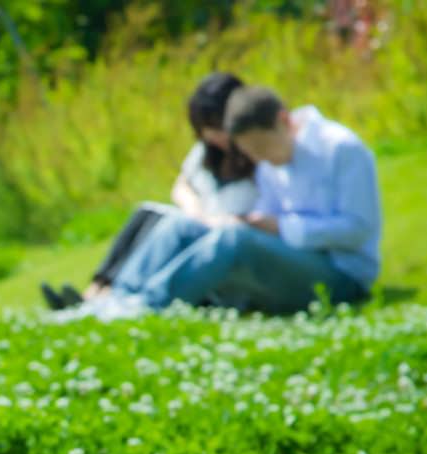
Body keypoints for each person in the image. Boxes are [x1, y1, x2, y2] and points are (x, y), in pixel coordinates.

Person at [93, 86, 381, 315]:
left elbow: (359, 230)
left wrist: (280, 226)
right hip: (287, 258)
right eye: (252, 152)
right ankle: (116, 298)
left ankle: (146, 306)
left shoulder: (342, 150)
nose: (260, 159)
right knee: (181, 225)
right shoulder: (270, 161)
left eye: (261, 147)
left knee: (233, 240)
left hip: (341, 275)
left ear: (284, 121)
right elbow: (263, 218)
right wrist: (248, 222)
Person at [41, 72, 257, 311]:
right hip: (199, 221)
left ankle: (112, 298)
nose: (215, 137)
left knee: (167, 223)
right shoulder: (206, 153)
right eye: (208, 130)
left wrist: (208, 220)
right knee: (146, 213)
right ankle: (95, 292)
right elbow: (183, 184)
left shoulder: (257, 152)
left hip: (220, 234)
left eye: (217, 127)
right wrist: (195, 210)